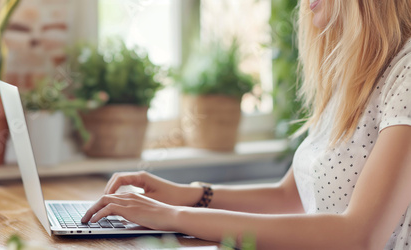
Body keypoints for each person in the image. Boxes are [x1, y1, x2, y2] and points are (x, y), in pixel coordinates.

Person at [82, 0, 411, 248]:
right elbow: (289, 198)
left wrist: (172, 217)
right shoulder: (355, 73)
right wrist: (187, 195)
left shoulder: (406, 73)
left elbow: (360, 235)